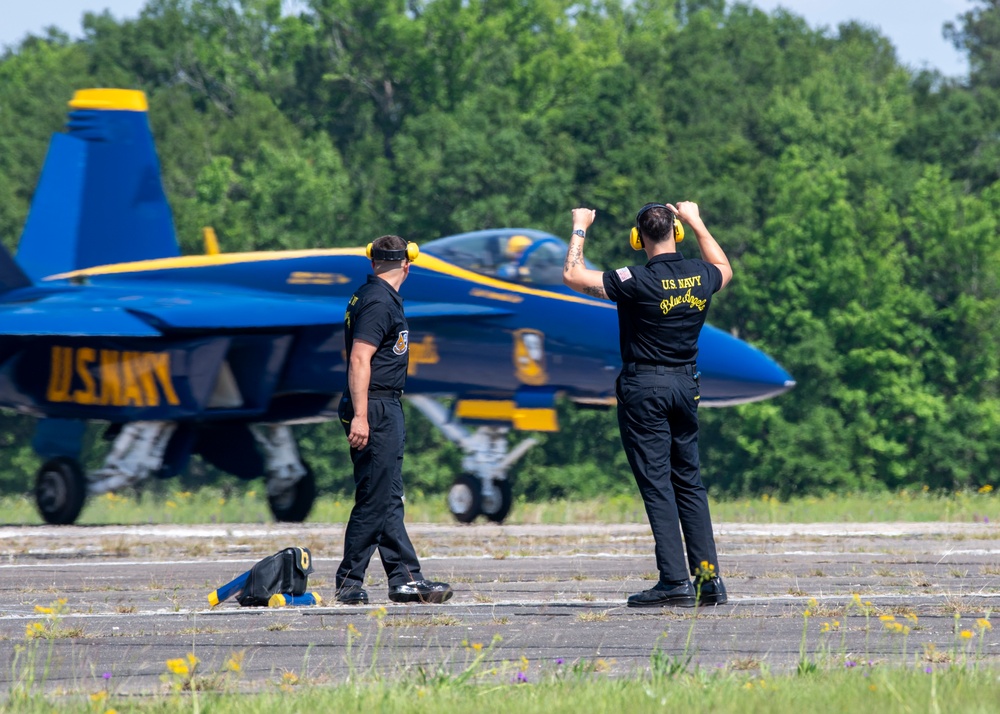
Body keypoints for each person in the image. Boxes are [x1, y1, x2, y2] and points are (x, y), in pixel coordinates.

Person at [562, 202, 732, 608]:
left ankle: (674, 581)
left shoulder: (633, 279)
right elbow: (724, 266)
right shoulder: (701, 273)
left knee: (657, 484)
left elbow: (572, 275)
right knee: (689, 482)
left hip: (645, 388)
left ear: (637, 239)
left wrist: (580, 226)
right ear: (677, 233)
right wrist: (696, 220)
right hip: (685, 385)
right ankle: (708, 580)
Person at [335, 234, 453, 606]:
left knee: (387, 497)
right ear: (407, 264)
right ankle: (349, 582)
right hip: (374, 406)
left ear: (374, 262)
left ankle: (405, 579)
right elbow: (359, 359)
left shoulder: (373, 296)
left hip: (380, 404)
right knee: (375, 498)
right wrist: (361, 415)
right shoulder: (378, 302)